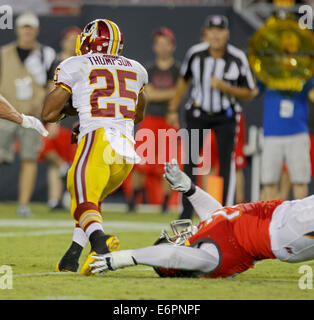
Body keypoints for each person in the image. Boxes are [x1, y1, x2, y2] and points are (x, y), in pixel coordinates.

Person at [41, 19, 148, 274]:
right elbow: (138, 114)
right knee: (90, 200)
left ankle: (101, 244)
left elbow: (48, 112)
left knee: (79, 197)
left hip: (98, 140)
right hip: (125, 149)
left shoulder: (75, 64)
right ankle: (72, 256)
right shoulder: (136, 68)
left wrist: (73, 112)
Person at [89, 159, 314, 278]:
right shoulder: (208, 257)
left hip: (284, 219)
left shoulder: (210, 237)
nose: (178, 235)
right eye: (174, 238)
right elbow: (172, 255)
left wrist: (189, 189)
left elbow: (218, 213)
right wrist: (122, 258)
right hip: (283, 229)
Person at [167, 15, 257, 220]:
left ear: (227, 34)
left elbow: (250, 92)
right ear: (206, 33)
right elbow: (183, 82)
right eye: (212, 30)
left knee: (226, 164)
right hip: (198, 112)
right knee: (189, 161)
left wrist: (226, 88)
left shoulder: (237, 57)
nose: (216, 35)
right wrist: (172, 109)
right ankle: (186, 211)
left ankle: (222, 211)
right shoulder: (195, 54)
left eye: (220, 31)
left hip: (225, 116)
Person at [0, 12, 56, 217]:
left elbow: (52, 87)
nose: (27, 31)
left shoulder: (45, 54)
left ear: (36, 30)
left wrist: (53, 116)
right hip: (5, 113)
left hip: (32, 113)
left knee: (29, 159)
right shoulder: (3, 54)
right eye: (24, 26)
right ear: (17, 29)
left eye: (30, 27)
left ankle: (23, 205)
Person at [128, 27, 181, 213]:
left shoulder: (178, 70)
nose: (162, 47)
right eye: (158, 43)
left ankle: (165, 204)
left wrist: (163, 94)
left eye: (165, 43)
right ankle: (133, 201)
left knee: (168, 166)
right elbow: (149, 94)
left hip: (169, 121)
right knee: (140, 163)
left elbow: (180, 93)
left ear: (172, 46)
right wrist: (171, 94)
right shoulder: (149, 69)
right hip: (150, 119)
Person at [40, 26, 81, 210]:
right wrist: (53, 119)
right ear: (63, 41)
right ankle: (55, 198)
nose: (72, 43)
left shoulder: (82, 63)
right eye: (70, 39)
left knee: (73, 161)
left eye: (76, 40)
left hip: (76, 118)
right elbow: (50, 90)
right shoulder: (57, 62)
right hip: (61, 116)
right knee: (48, 152)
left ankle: (62, 200)